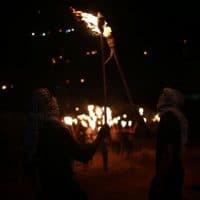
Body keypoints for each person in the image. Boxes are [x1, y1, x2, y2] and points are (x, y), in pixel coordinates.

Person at [23, 88, 109, 200]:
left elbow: (29, 167)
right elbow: (83, 155)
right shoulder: (58, 130)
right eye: (53, 103)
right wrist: (100, 136)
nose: (56, 104)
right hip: (63, 189)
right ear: (49, 107)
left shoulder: (32, 132)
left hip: (45, 190)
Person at [148, 87, 189, 200]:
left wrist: (159, 179)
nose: (160, 97)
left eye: (164, 95)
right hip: (175, 171)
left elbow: (168, 152)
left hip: (168, 175)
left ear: (168, 100)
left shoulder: (168, 119)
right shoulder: (175, 117)